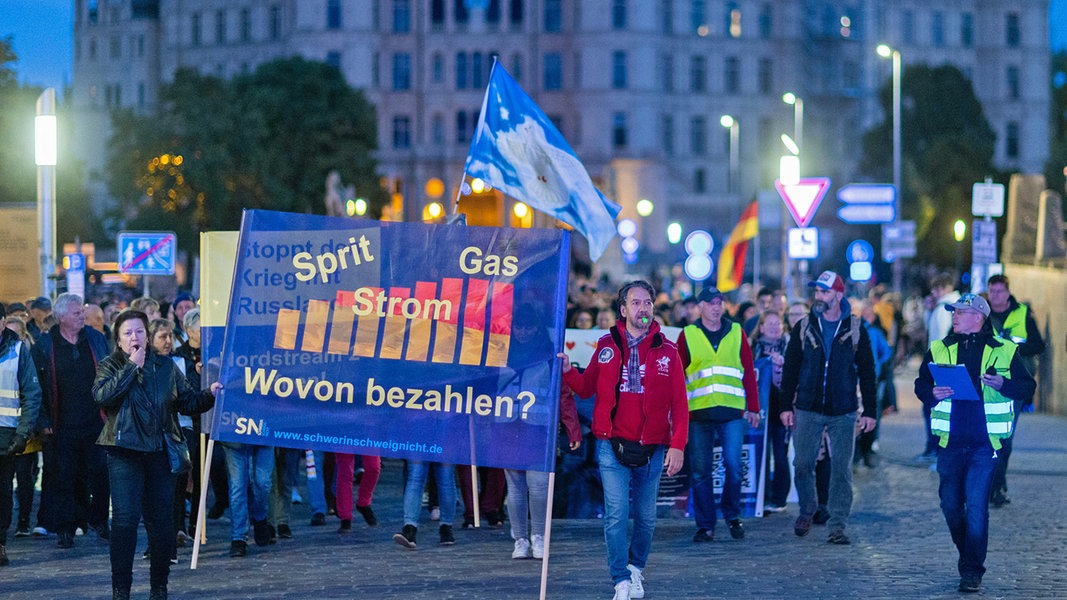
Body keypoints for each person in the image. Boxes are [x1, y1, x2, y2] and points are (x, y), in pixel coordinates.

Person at [560, 280, 688, 600]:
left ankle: (635, 569)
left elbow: (680, 405)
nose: (642, 308)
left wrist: (678, 445)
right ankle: (619, 578)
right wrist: (566, 370)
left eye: (647, 303)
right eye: (636, 303)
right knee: (616, 515)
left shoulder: (668, 351)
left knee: (645, 518)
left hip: (652, 447)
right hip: (610, 445)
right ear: (623, 309)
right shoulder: (606, 344)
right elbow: (586, 387)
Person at [93, 309, 219, 600]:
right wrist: (131, 368)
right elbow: (102, 397)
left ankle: (159, 586)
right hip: (124, 453)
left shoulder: (165, 366)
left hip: (160, 452)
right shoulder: (110, 366)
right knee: (124, 522)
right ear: (119, 339)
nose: (134, 337)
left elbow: (186, 401)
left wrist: (209, 394)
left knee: (161, 523)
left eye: (139, 331)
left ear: (147, 336)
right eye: (127, 333)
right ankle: (120, 589)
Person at [913, 293, 1034, 594]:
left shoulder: (1004, 350)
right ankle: (968, 552)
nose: (954, 316)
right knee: (951, 505)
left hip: (985, 444)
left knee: (977, 507)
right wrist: (932, 393)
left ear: (978, 317)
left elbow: (1027, 386)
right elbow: (920, 384)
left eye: (960, 312)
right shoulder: (940, 348)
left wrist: (1002, 385)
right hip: (950, 442)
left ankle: (971, 571)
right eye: (953, 312)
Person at [780, 270, 877, 546]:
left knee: (841, 470)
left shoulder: (855, 328)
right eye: (817, 292)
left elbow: (868, 372)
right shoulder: (805, 326)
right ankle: (808, 508)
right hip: (808, 408)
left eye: (824, 291)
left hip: (844, 410)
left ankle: (837, 525)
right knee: (803, 463)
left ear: (838, 294)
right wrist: (786, 405)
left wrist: (869, 411)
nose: (818, 297)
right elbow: (790, 370)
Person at [676, 287, 760, 542]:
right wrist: (676, 414)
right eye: (710, 303)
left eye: (719, 303)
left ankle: (732, 516)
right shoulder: (687, 335)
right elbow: (678, 379)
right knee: (701, 472)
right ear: (699, 306)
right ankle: (706, 525)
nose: (716, 307)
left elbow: (748, 369)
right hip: (698, 413)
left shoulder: (737, 332)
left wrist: (753, 407)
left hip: (731, 411)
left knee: (734, 468)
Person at [33, 293, 112, 548]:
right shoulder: (45, 346)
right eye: (77, 313)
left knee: (100, 473)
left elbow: (110, 373)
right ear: (62, 317)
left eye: (82, 312)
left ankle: (99, 521)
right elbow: (37, 389)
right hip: (61, 424)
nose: (83, 317)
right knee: (63, 477)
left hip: (95, 421)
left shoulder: (96, 339)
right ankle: (65, 527)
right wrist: (43, 420)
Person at [984, 274, 1046, 507]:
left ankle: (997, 485)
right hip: (988, 382)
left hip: (1014, 383)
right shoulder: (984, 314)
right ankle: (990, 483)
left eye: (999, 292)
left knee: (1005, 439)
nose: (995, 296)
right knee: (988, 437)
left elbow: (1039, 344)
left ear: (1008, 292)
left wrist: (1015, 347)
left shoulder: (1022, 313)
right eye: (991, 292)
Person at [0, 305, 43, 567]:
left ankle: (0, 541)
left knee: (3, 493)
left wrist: (22, 432)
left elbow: (31, 394)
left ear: (3, 323)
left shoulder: (18, 352)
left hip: (6, 435)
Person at [750, 309, 790, 512]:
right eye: (770, 324)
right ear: (762, 327)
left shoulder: (790, 347)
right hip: (760, 412)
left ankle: (779, 497)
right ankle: (761, 497)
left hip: (782, 409)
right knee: (761, 455)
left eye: (778, 323)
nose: (774, 327)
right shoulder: (752, 348)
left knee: (781, 455)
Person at [918, 274, 960, 463]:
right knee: (932, 407)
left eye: (936, 289)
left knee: (933, 407)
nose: (933, 293)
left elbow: (941, 335)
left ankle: (936, 447)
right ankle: (934, 446)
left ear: (944, 288)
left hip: (941, 364)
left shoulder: (946, 307)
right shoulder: (942, 306)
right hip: (939, 362)